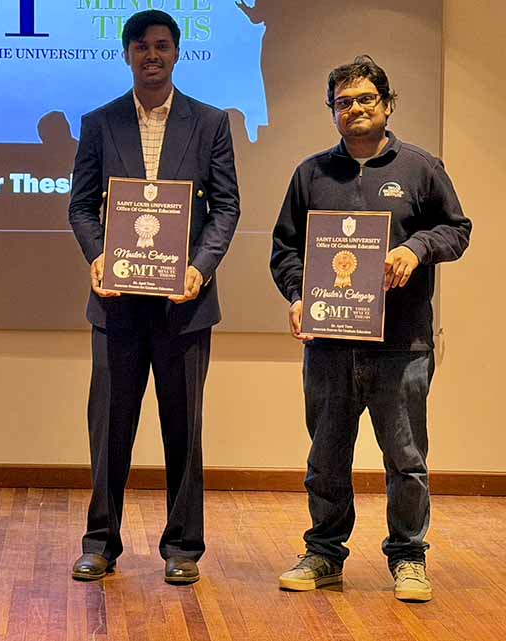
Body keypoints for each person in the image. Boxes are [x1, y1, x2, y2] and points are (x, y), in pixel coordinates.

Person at [270, 55, 471, 602]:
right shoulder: (311, 174)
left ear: (386, 103)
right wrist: (296, 296)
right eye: (343, 103)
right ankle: (324, 554)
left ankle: (408, 558)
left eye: (364, 99)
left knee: (406, 461)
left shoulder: (421, 168)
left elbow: (457, 230)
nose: (354, 109)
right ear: (331, 111)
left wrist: (416, 247)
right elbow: (285, 250)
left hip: (401, 346)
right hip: (330, 343)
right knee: (326, 458)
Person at [67, 10, 241, 584]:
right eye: (141, 46)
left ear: (177, 52)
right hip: (116, 305)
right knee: (110, 426)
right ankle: (100, 542)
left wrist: (199, 268)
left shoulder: (211, 123)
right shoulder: (99, 123)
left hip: (184, 306)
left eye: (162, 46)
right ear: (126, 54)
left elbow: (226, 208)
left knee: (183, 427)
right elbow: (81, 206)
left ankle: (183, 548)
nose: (152, 55)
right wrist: (97, 256)